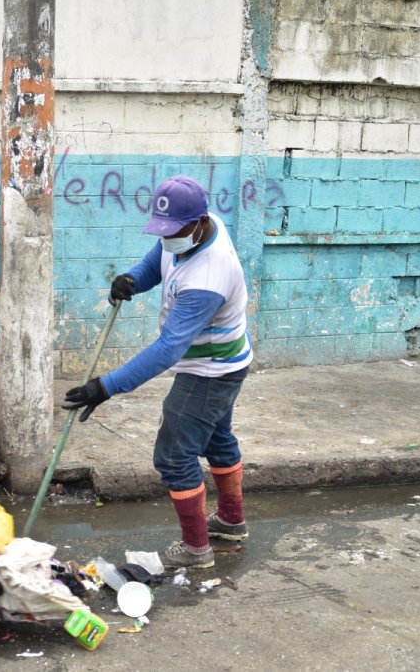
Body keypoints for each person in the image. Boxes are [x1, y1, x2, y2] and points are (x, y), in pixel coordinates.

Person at [62, 175, 253, 570]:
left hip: (210, 370)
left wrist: (106, 386)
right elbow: (158, 259)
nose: (168, 237)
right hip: (227, 359)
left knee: (173, 456)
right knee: (217, 439)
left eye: (175, 231)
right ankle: (231, 522)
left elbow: (168, 349)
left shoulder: (208, 276)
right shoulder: (196, 226)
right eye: (163, 230)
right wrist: (134, 278)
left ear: (198, 223)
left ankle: (196, 549)